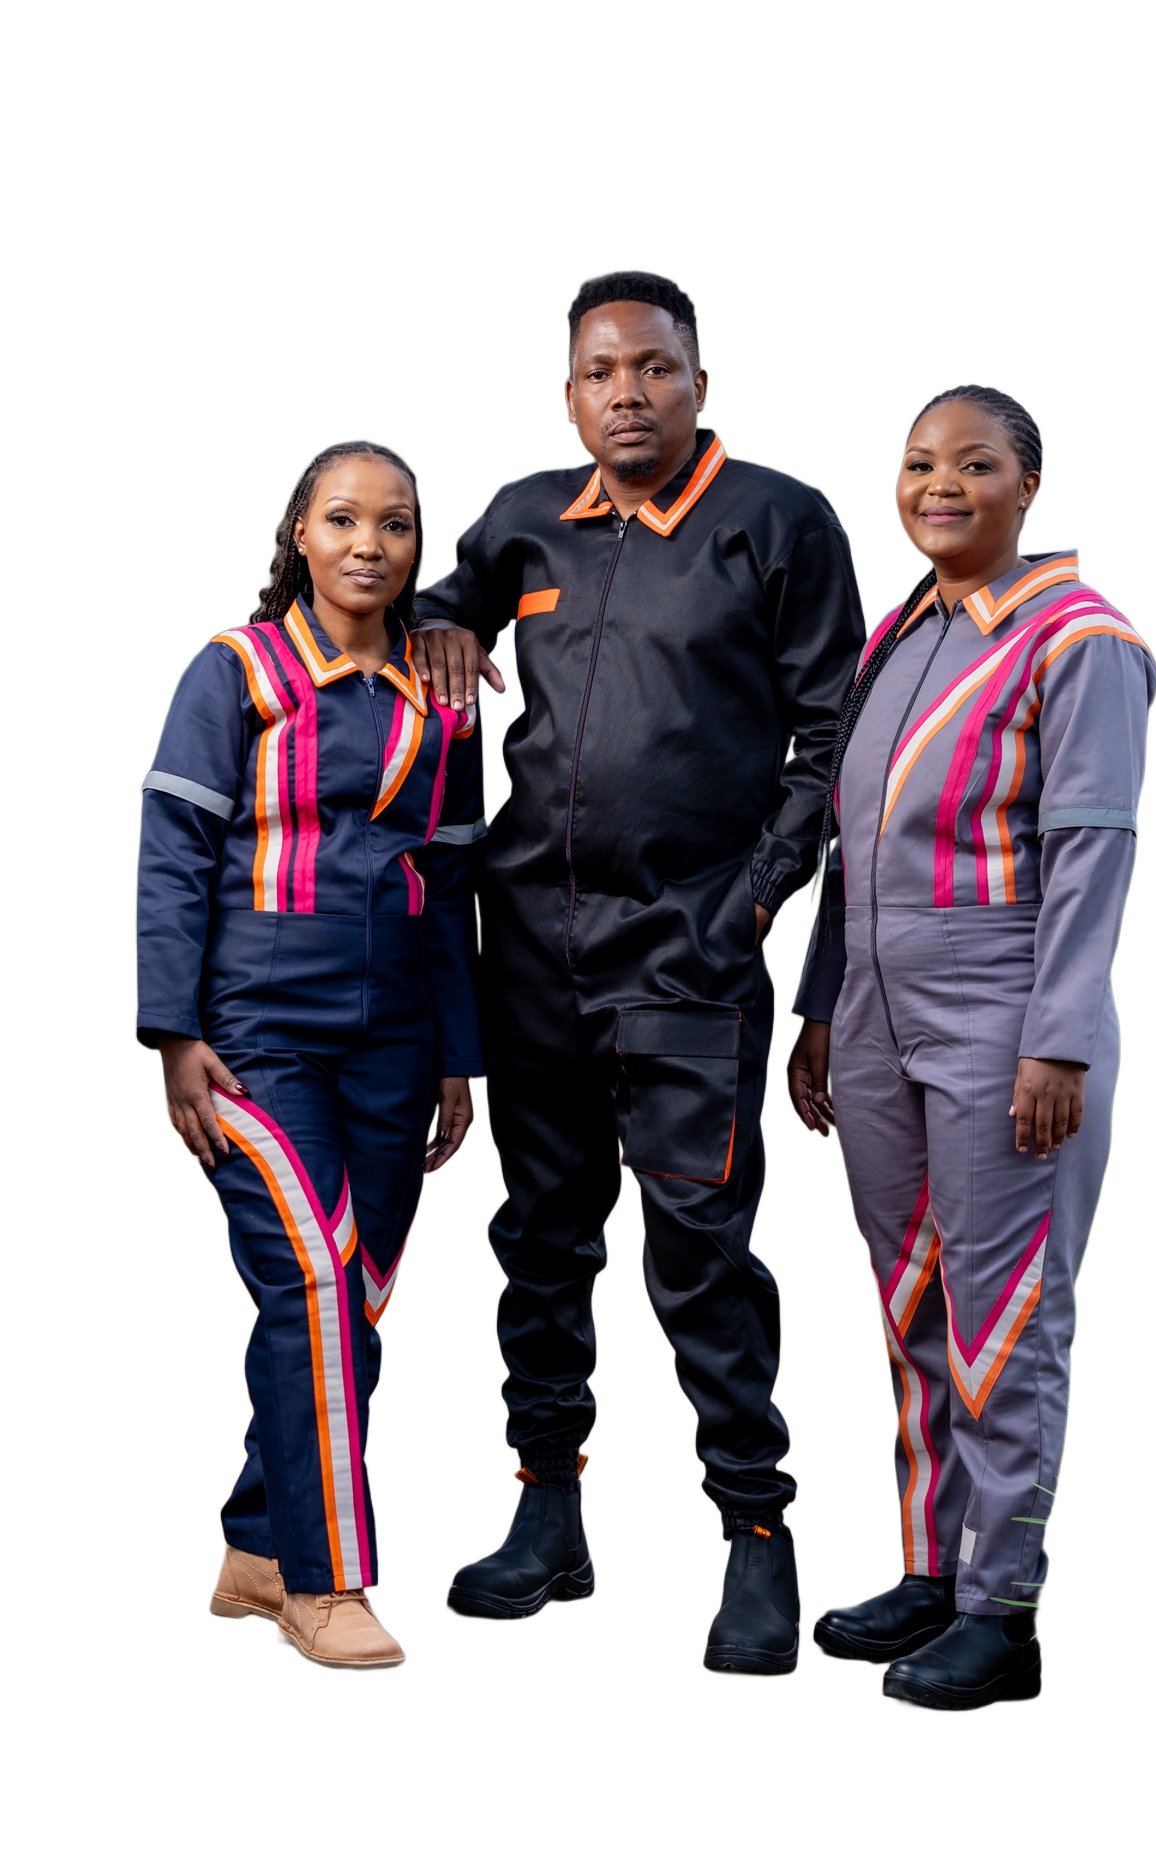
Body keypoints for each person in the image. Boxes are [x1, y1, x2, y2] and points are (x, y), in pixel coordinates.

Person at [408, 267, 867, 1676]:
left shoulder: (782, 519)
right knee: (540, 1241)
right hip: (531, 953)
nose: (629, 394)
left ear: (699, 384)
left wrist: (752, 904)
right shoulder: (525, 514)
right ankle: (548, 1513)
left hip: (688, 956)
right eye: (602, 373)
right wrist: (442, 614)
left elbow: (834, 744)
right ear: (569, 397)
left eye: (655, 369)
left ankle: (758, 1537)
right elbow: (444, 594)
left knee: (699, 1255)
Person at [787, 382, 1156, 1711]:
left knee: (1007, 1314)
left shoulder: (1081, 638)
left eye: (975, 463)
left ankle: (1005, 1609)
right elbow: (849, 846)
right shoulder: (899, 634)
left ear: (1030, 487)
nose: (939, 485)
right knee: (912, 1302)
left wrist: (1059, 1038)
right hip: (877, 1013)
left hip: (1006, 1010)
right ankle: (932, 1566)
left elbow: (1094, 849)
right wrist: (820, 1006)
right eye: (918, 463)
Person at [136, 440, 486, 1671]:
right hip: (256, 1037)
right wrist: (173, 1035)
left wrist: (459, 1055)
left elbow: (449, 886)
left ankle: (252, 1545)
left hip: (398, 1044)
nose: (367, 546)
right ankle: (326, 1585)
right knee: (315, 1285)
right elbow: (172, 855)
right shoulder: (234, 671)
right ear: (299, 532)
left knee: (358, 1301)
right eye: (342, 520)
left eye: (395, 525)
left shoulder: (441, 695)